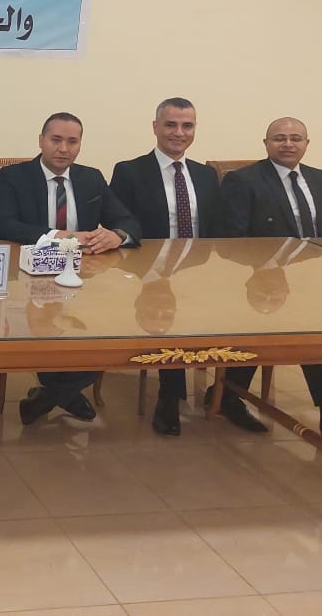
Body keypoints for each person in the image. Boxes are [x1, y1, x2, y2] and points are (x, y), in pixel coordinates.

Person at [219, 116, 322, 457]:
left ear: (306, 144)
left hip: (316, 281)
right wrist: (271, 271)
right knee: (310, 334)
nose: (287, 144)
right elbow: (231, 240)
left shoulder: (321, 178)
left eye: (295, 138)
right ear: (266, 143)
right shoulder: (244, 180)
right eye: (279, 138)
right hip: (261, 283)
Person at [0, 112, 141, 426]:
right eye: (56, 140)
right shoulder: (14, 176)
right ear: (41, 141)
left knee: (109, 332)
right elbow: (3, 224)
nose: (63, 148)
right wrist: (58, 236)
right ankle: (65, 392)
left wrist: (117, 235)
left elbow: (127, 220)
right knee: (45, 328)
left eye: (72, 141)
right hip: (30, 278)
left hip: (83, 280)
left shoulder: (91, 178)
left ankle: (48, 397)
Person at [110, 97, 222, 437]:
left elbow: (215, 229)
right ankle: (169, 397)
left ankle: (225, 394)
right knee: (166, 317)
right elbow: (117, 222)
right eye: (171, 124)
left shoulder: (206, 175)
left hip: (198, 271)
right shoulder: (129, 171)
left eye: (187, 126)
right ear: (155, 127)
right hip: (147, 273)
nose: (179, 132)